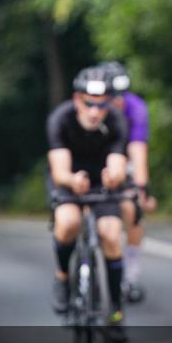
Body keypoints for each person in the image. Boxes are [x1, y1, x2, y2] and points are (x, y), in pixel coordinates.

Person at [47, 66, 130, 328]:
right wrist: (72, 181)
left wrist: (114, 177)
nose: (95, 112)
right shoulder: (60, 119)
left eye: (102, 105)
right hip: (69, 178)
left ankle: (115, 306)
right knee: (68, 222)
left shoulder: (116, 120)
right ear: (77, 100)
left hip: (101, 181)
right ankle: (62, 277)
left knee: (111, 234)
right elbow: (59, 170)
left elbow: (117, 162)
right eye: (89, 104)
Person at [101, 61, 158, 303]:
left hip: (122, 157)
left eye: (121, 95)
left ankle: (131, 275)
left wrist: (142, 188)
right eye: (111, 95)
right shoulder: (91, 107)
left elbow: (137, 151)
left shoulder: (135, 107)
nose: (117, 101)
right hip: (93, 156)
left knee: (132, 206)